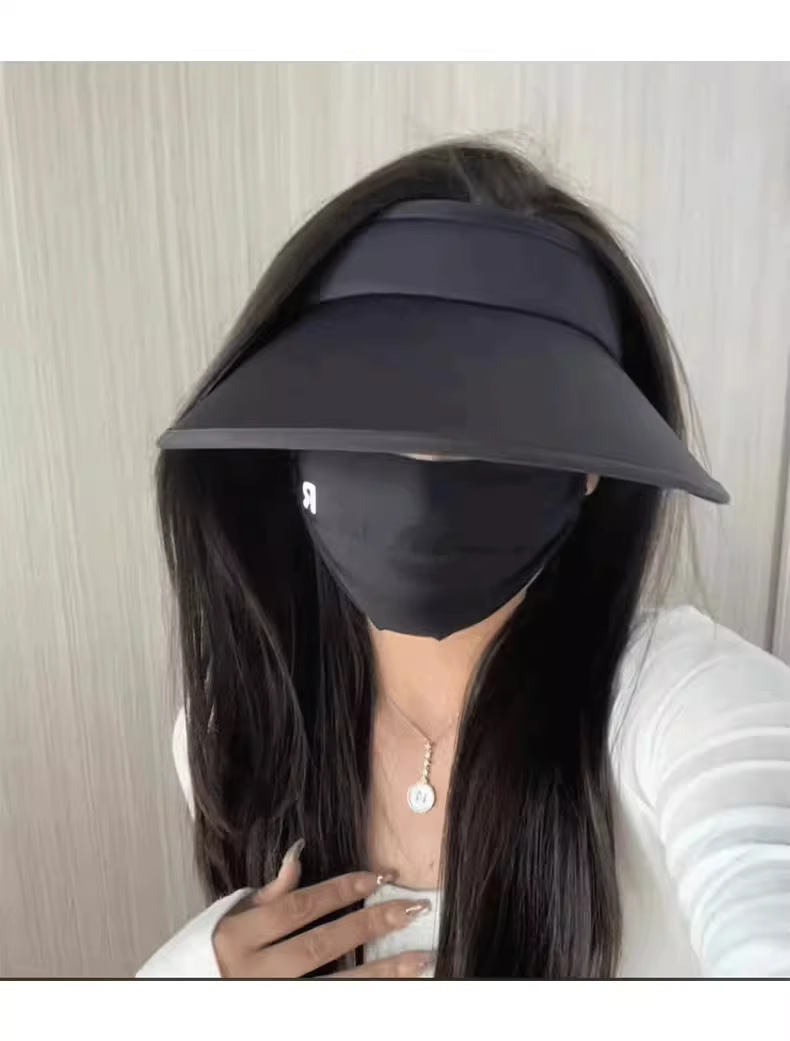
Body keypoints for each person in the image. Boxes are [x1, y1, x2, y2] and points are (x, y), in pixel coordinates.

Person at [138, 140, 790, 979]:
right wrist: (190, 983)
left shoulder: (679, 706)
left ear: (593, 462)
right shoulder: (232, 725)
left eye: (503, 418)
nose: (425, 475)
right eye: (373, 408)